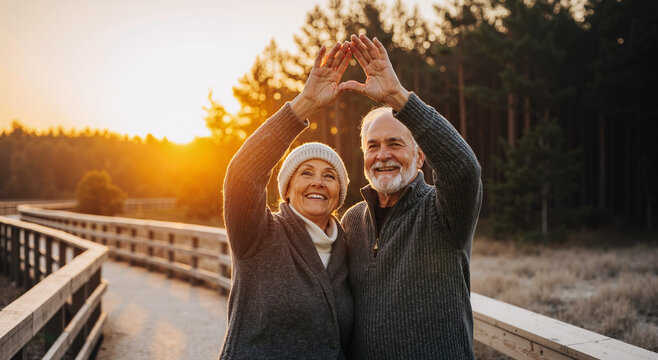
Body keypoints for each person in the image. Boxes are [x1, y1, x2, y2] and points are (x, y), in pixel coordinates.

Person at [339, 34, 483, 359]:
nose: (383, 155)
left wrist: (398, 98)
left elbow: (463, 169)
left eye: (395, 143)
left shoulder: (441, 212)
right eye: (372, 146)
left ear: (420, 158)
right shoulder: (351, 221)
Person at [220, 42, 354, 359]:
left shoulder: (348, 248)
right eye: (306, 173)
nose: (318, 182)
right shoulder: (259, 235)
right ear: (288, 188)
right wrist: (304, 104)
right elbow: (243, 175)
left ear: (339, 194)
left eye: (330, 176)